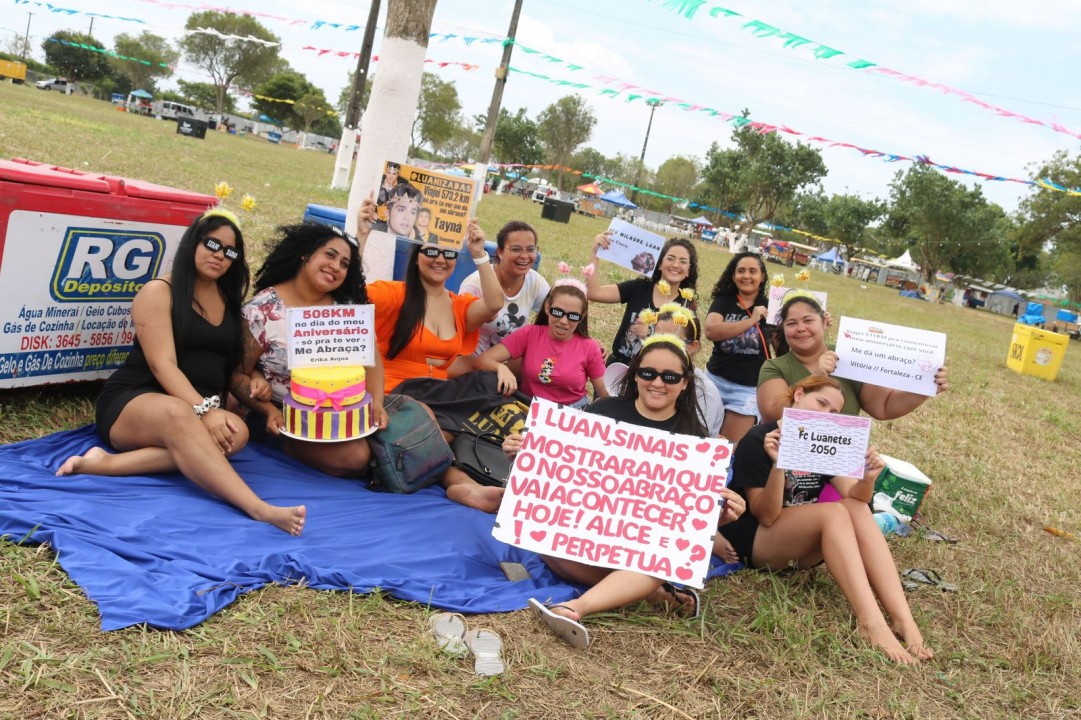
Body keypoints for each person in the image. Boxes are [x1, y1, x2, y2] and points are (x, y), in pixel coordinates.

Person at [56, 209, 306, 536]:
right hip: (137, 400)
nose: (219, 255)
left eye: (230, 251)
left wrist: (255, 376)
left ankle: (106, 464)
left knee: (238, 433)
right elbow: (163, 365)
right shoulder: (159, 292)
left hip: (196, 408)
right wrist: (205, 410)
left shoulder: (228, 299)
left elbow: (234, 363)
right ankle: (258, 507)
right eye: (212, 244)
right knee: (179, 415)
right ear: (193, 243)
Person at [503, 336, 745, 647]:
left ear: (685, 384)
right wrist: (527, 453)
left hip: (646, 544)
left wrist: (722, 517)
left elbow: (688, 527)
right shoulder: (602, 411)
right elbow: (561, 475)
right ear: (635, 374)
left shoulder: (694, 438)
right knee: (546, 542)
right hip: (589, 527)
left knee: (662, 557)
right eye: (648, 373)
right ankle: (655, 595)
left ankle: (575, 608)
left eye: (670, 377)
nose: (657, 382)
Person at [718, 375, 932, 663]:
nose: (826, 414)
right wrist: (781, 463)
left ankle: (902, 617)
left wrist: (868, 478)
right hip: (756, 542)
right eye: (821, 403)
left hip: (799, 542)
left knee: (853, 508)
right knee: (834, 512)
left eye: (834, 412)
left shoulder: (824, 439)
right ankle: (870, 622)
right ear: (799, 395)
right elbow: (766, 517)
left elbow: (856, 498)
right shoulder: (759, 439)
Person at [359, 197, 505, 512]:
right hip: (398, 394)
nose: (440, 259)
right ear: (416, 256)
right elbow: (351, 297)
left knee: (489, 394)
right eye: (431, 251)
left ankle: (467, 483)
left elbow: (494, 303)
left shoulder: (459, 304)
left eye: (448, 253)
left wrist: (480, 255)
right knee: (434, 428)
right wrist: (361, 237)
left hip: (441, 397)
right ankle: (464, 486)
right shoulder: (394, 295)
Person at [231, 222, 389, 478]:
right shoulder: (261, 310)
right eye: (329, 254)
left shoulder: (347, 309)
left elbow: (373, 363)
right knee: (355, 457)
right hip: (284, 416)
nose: (336, 267)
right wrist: (268, 411)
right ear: (305, 254)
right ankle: (287, 447)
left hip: (346, 412)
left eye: (345, 264)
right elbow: (236, 375)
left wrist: (378, 404)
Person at [757, 292, 948, 422]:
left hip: (838, 461)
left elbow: (883, 407)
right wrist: (816, 376)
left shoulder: (850, 355)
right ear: (784, 329)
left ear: (824, 322)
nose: (800, 328)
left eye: (808, 320)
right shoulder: (774, 367)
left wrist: (923, 388)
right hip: (785, 460)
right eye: (792, 323)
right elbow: (773, 414)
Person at [474, 279, 607, 408]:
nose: (564, 321)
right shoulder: (530, 334)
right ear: (547, 308)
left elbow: (605, 394)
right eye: (558, 312)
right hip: (528, 410)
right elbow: (482, 360)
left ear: (582, 316)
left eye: (573, 316)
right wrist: (501, 368)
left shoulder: (590, 347)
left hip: (571, 415)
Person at [587, 234, 698, 366]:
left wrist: (651, 333)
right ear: (660, 264)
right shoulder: (639, 287)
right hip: (617, 367)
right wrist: (595, 253)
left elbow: (683, 350)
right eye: (670, 258)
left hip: (649, 376)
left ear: (688, 270)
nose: (676, 265)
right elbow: (594, 292)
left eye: (683, 261)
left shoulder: (686, 305)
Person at [703, 252, 772, 443]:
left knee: (727, 448)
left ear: (762, 276)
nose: (746, 276)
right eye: (740, 271)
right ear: (733, 276)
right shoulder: (724, 301)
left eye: (753, 271)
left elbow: (783, 344)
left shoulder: (772, 307)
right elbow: (711, 331)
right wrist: (751, 320)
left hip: (748, 389)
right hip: (714, 380)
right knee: (697, 438)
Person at [459, 220, 550, 355]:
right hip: (475, 364)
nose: (525, 256)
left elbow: (555, 315)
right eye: (516, 249)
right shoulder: (474, 284)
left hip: (512, 361)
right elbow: (458, 331)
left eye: (531, 249)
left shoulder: (535, 281)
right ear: (500, 252)